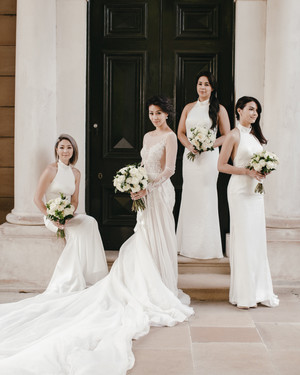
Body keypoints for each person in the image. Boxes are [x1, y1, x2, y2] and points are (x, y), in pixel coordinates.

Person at [0, 97, 193, 374]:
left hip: (159, 194)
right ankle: (148, 283)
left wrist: (147, 188)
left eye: (159, 113)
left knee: (157, 236)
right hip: (144, 193)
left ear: (167, 114)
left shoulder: (171, 137)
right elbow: (143, 165)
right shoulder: (148, 135)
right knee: (145, 236)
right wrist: (135, 184)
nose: (154, 118)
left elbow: (169, 170)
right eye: (151, 113)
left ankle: (161, 285)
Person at [217, 96, 279, 309]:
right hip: (240, 191)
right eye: (251, 109)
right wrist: (246, 171)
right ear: (239, 110)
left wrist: (263, 170)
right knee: (243, 240)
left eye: (257, 111)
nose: (255, 114)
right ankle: (244, 294)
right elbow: (221, 165)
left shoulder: (255, 136)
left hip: (255, 192)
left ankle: (259, 290)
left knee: (256, 239)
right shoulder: (233, 135)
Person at [33, 134, 108, 293]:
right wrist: (52, 217)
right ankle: (71, 279)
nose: (65, 151)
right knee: (78, 232)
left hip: (68, 214)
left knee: (90, 222)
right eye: (62, 147)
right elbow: (37, 199)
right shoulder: (50, 170)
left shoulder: (76, 173)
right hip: (52, 216)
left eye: (69, 147)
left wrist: (69, 213)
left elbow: (74, 201)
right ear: (56, 150)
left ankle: (92, 276)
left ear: (74, 150)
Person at [176, 71, 230, 259]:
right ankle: (187, 245)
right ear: (196, 86)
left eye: (206, 84)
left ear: (212, 88)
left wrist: (209, 144)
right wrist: (190, 145)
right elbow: (180, 132)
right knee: (190, 195)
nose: (203, 87)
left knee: (206, 197)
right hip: (190, 159)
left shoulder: (219, 109)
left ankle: (206, 247)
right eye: (200, 83)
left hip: (209, 160)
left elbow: (227, 135)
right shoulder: (188, 108)